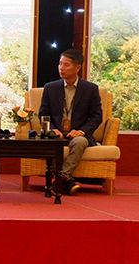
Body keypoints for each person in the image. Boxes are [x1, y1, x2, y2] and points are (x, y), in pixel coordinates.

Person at [38, 48, 103, 195]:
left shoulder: (90, 89)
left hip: (77, 134)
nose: (61, 68)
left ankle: (60, 180)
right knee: (52, 144)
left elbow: (97, 116)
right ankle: (66, 181)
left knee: (80, 142)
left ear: (77, 68)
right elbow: (43, 114)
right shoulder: (50, 88)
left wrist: (82, 131)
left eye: (66, 65)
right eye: (60, 64)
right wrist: (52, 129)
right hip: (57, 134)